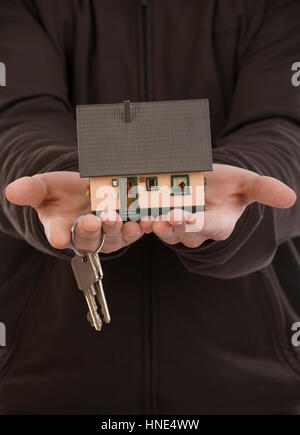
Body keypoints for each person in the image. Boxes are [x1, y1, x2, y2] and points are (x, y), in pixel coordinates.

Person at [0, 0, 300, 415]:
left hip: (255, 385)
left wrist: (246, 189)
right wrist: (57, 175)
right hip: (45, 383)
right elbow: (16, 118)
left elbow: (286, 126)